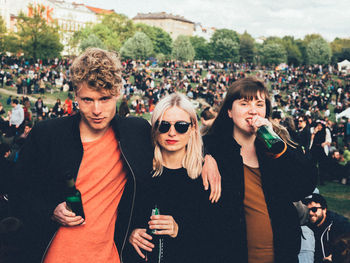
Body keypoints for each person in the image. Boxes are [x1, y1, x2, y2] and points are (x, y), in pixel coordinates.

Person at [10, 48, 220, 263]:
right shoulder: (48, 134)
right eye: (87, 100)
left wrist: (207, 158)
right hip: (52, 254)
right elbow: (15, 189)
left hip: (109, 256)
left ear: (119, 91)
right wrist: (50, 209)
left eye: (105, 99)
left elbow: (173, 141)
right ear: (75, 95)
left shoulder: (135, 132)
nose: (97, 110)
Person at [203, 77, 317, 263]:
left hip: (281, 254)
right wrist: (205, 156)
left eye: (259, 104)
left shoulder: (279, 146)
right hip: (230, 254)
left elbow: (305, 185)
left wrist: (278, 147)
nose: (253, 110)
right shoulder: (213, 148)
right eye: (244, 103)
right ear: (229, 111)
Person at [127, 93, 210, 263]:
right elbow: (122, 218)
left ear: (193, 127)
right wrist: (131, 234)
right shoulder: (139, 171)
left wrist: (179, 229)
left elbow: (214, 232)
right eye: (164, 126)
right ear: (155, 129)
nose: (172, 133)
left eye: (181, 126)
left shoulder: (206, 175)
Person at [304, 193, 350, 263]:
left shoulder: (340, 225)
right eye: (307, 210)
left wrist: (335, 257)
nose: (310, 213)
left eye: (314, 209)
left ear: (324, 209)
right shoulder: (306, 225)